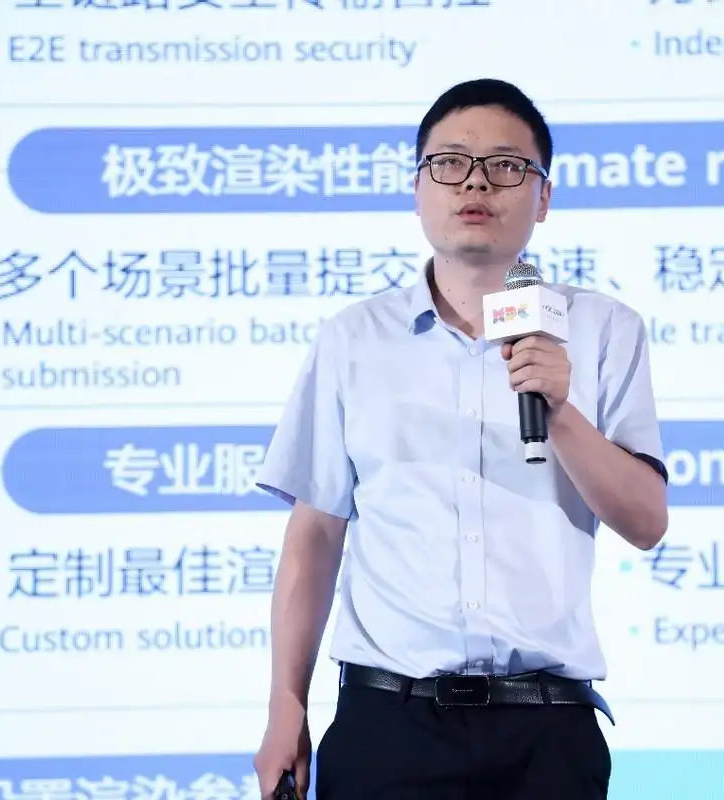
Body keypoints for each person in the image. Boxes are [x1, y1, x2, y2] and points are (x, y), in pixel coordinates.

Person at [252, 77, 669, 800]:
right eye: (449, 163)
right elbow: (316, 533)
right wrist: (285, 702)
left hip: (548, 733)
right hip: (388, 722)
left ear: (544, 197)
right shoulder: (355, 339)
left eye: (506, 166)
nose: (475, 182)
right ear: (418, 189)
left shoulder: (604, 330)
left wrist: (561, 411)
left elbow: (646, 522)